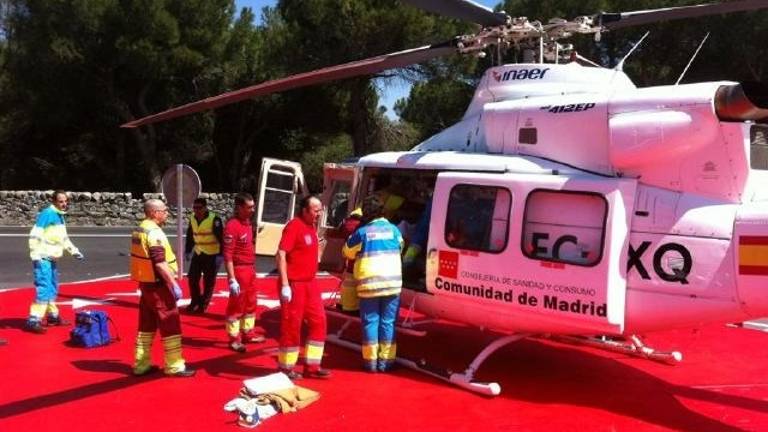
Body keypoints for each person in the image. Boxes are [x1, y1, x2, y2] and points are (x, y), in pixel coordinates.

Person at [130, 199, 195, 377]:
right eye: (164, 211)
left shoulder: (140, 229)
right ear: (154, 213)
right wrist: (173, 284)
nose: (167, 213)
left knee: (146, 326)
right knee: (170, 323)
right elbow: (159, 262)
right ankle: (174, 365)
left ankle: (141, 364)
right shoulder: (154, 233)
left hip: (146, 284)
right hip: (159, 285)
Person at [342, 195, 404, 373]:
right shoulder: (394, 230)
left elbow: (348, 252)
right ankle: (387, 362)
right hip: (392, 284)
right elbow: (400, 247)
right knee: (388, 323)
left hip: (369, 285)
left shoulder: (362, 233)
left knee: (370, 322)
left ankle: (370, 363)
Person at [276, 195, 331, 379]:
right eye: (315, 210)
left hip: (310, 283)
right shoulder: (294, 226)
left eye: (319, 210)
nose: (318, 214)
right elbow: (281, 254)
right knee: (292, 325)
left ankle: (312, 366)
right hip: (295, 284)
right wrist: (285, 284)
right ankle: (286, 367)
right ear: (305, 210)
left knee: (319, 322)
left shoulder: (311, 227)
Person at [26, 190, 84, 334]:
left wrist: (74, 251)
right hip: (43, 258)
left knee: (52, 288)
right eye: (61, 201)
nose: (64, 204)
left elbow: (63, 238)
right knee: (44, 288)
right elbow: (35, 234)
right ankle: (34, 320)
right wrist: (36, 255)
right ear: (54, 201)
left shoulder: (60, 216)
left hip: (52, 258)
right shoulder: (48, 214)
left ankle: (53, 316)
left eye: (65, 201)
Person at [223, 192, 265, 353]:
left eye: (253, 206)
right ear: (239, 208)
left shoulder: (247, 223)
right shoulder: (232, 226)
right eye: (249, 207)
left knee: (251, 302)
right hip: (240, 270)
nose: (252, 210)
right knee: (236, 306)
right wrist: (232, 278)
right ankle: (234, 339)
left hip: (249, 269)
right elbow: (228, 255)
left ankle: (248, 332)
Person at [184, 197, 223, 314]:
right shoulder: (192, 218)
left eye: (199, 208)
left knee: (209, 282)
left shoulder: (214, 219)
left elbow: (221, 237)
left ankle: (203, 305)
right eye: (194, 208)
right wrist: (188, 250)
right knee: (192, 279)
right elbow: (190, 234)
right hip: (198, 252)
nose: (196, 210)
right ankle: (195, 301)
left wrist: (221, 255)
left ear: (205, 208)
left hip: (212, 254)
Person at [338, 208, 362, 314]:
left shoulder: (346, 223)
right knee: (354, 284)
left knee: (347, 283)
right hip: (358, 257)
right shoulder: (361, 226)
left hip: (348, 253)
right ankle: (352, 307)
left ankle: (344, 303)